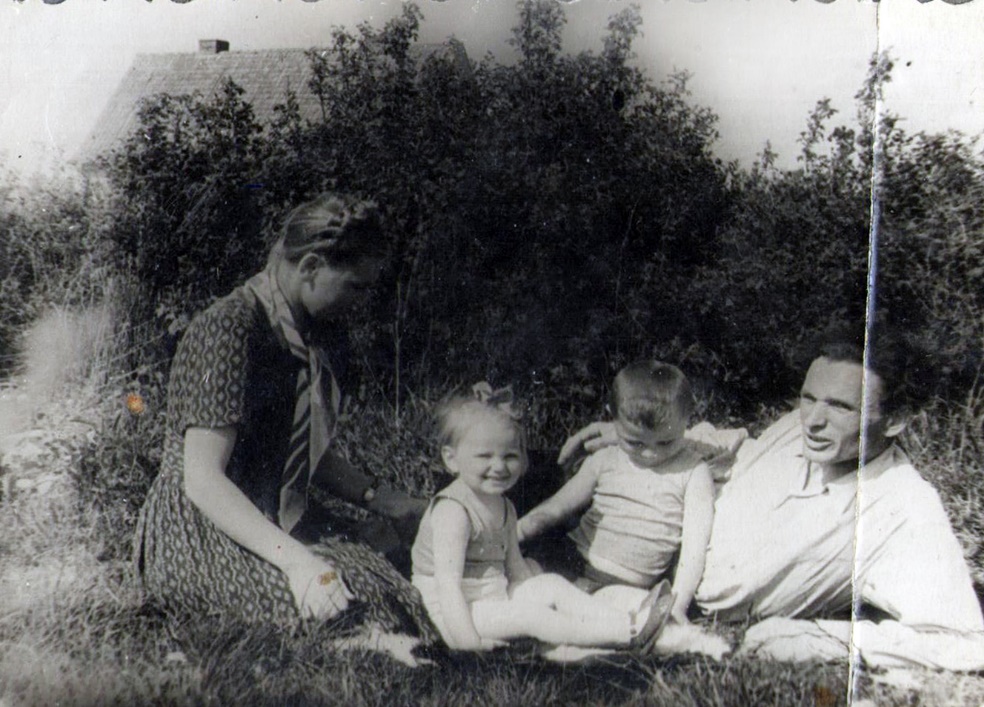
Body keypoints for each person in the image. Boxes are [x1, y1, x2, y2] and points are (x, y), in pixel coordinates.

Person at [558, 329, 984, 669]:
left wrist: (819, 637)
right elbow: (739, 446)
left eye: (840, 407)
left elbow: (964, 641)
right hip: (625, 535)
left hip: (663, 595)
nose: (812, 420)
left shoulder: (905, 506)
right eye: (808, 398)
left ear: (895, 420)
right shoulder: (798, 430)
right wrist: (632, 436)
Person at [134, 192, 435, 641]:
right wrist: (298, 563)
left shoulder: (309, 333)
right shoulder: (229, 328)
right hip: (203, 522)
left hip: (269, 507)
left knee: (381, 590)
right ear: (311, 266)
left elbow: (300, 450)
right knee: (331, 603)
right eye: (356, 286)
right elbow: (202, 479)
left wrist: (386, 500)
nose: (364, 301)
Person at [410, 383, 674, 652]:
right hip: (454, 614)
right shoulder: (454, 511)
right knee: (533, 617)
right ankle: (628, 634)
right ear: (451, 459)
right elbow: (448, 587)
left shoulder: (504, 506)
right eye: (484, 456)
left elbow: (515, 567)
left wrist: (538, 592)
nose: (499, 466)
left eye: (510, 456)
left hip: (491, 598)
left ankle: (627, 620)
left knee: (551, 584)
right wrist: (470, 645)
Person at [517, 361, 715, 626]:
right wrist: (514, 534)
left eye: (666, 442)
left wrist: (679, 605)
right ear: (613, 418)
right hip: (570, 558)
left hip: (625, 585)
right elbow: (557, 507)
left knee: (639, 613)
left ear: (687, 419)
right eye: (635, 442)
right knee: (526, 574)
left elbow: (694, 549)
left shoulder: (693, 471)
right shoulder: (606, 458)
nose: (650, 453)